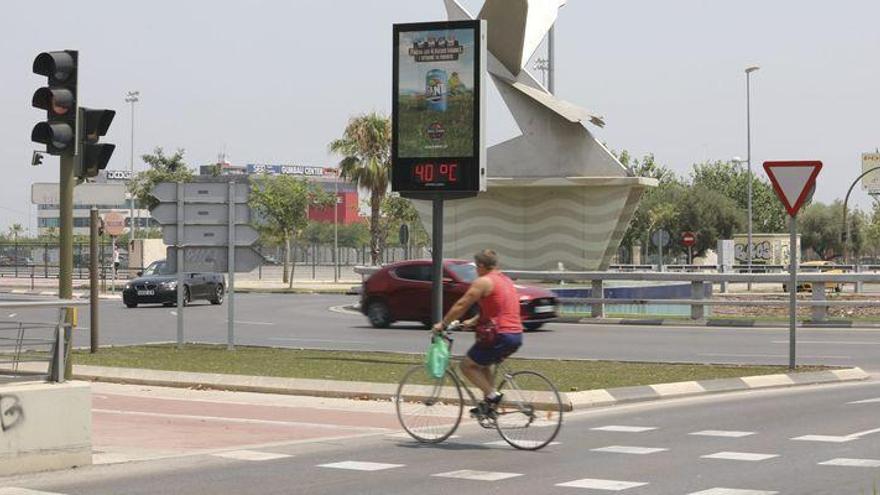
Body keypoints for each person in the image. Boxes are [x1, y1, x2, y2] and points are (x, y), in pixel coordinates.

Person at [433, 249, 523, 416]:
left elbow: (462, 304)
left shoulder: (483, 282)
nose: (475, 270)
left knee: (466, 366)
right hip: (515, 334)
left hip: (499, 335)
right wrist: (472, 321)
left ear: (481, 266)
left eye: (476, 267)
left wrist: (443, 324)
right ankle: (488, 406)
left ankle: (493, 397)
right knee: (482, 364)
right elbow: (498, 309)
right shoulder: (505, 280)